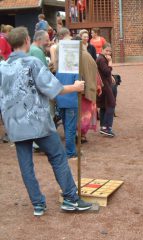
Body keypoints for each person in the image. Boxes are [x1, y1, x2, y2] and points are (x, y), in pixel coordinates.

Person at [0, 27, 92, 216]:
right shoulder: (32, 62)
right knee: (58, 157)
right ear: (27, 40)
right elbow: (52, 88)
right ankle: (70, 199)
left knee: (26, 165)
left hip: (15, 126)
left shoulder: (2, 67)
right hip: (36, 122)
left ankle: (38, 204)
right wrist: (75, 87)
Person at [97, 43, 116, 137]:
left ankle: (103, 126)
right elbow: (107, 71)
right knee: (111, 104)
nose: (108, 53)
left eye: (110, 51)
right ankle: (107, 127)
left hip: (104, 84)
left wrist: (110, 76)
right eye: (107, 50)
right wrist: (110, 62)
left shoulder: (101, 58)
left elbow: (106, 73)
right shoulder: (102, 59)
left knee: (104, 105)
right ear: (102, 50)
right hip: (105, 85)